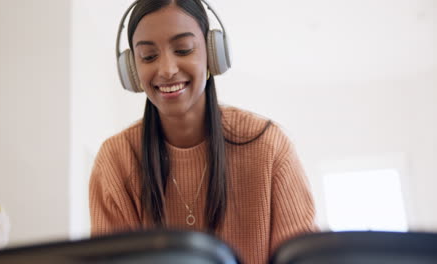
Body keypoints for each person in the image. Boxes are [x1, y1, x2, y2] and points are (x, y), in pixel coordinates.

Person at [89, 0, 318, 263]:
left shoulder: (269, 146)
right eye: (149, 56)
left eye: (183, 50)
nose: (167, 70)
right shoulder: (116, 161)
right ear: (132, 70)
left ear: (213, 53)